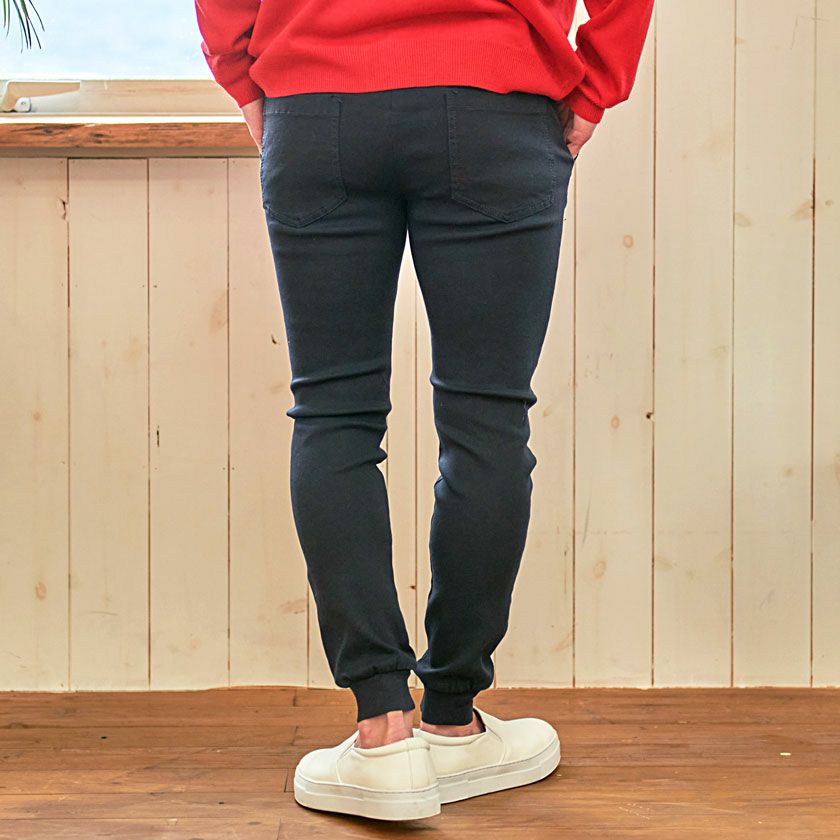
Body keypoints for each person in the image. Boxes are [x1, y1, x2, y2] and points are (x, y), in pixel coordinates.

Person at [195, 0, 654, 822]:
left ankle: (382, 731)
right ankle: (450, 718)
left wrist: (243, 76)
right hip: (497, 107)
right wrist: (597, 85)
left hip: (318, 105)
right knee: (487, 423)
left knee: (334, 413)